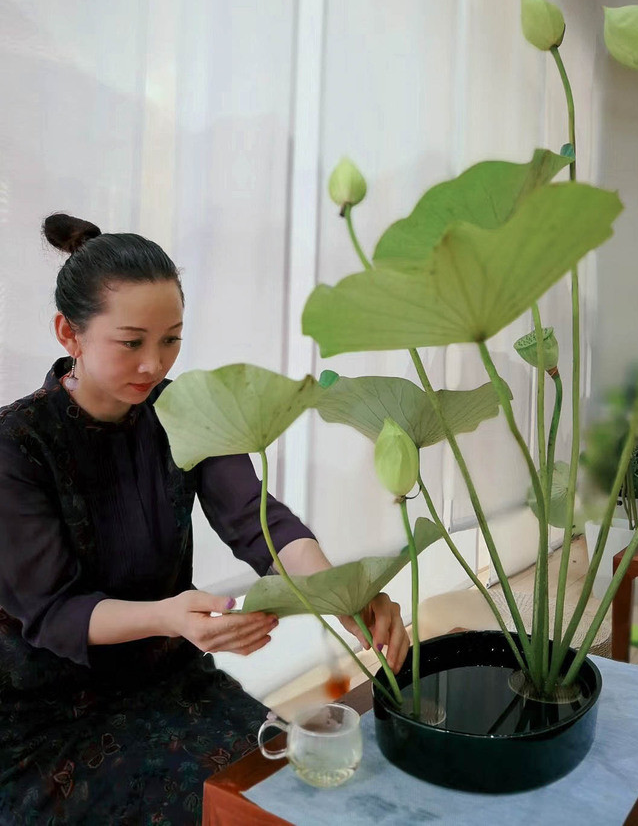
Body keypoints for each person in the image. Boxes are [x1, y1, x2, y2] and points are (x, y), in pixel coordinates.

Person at [0, 214, 409, 824]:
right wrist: (170, 616)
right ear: (69, 333)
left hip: (172, 680)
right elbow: (56, 610)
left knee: (287, 793)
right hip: (48, 718)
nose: (154, 364)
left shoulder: (184, 410)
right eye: (132, 342)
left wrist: (345, 593)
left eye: (171, 339)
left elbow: (257, 521)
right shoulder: (16, 445)